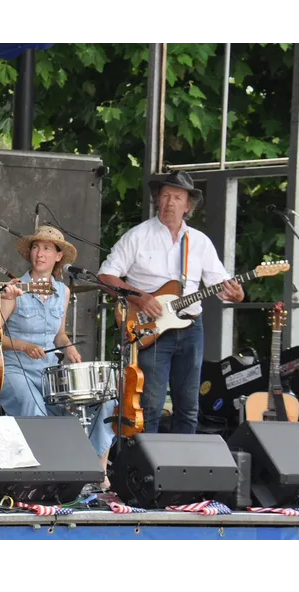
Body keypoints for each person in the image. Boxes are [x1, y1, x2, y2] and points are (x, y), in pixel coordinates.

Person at [97, 171, 244, 434]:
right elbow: (106, 276)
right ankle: (146, 467)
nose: (170, 202)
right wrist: (140, 298)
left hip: (191, 329)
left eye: (177, 197)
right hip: (151, 329)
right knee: (151, 404)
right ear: (157, 199)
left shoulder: (199, 242)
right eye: (165, 196)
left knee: (188, 405)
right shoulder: (138, 236)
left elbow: (221, 285)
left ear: (188, 206)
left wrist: (236, 293)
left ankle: (182, 467)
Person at [0, 225, 114, 489]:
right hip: (16, 371)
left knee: (102, 403)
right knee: (34, 408)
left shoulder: (63, 291)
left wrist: (69, 346)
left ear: (58, 256)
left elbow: (59, 335)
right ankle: (42, 479)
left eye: (48, 249)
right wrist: (25, 346)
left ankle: (96, 471)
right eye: (36, 247)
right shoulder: (14, 289)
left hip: (50, 374)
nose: (40, 253)